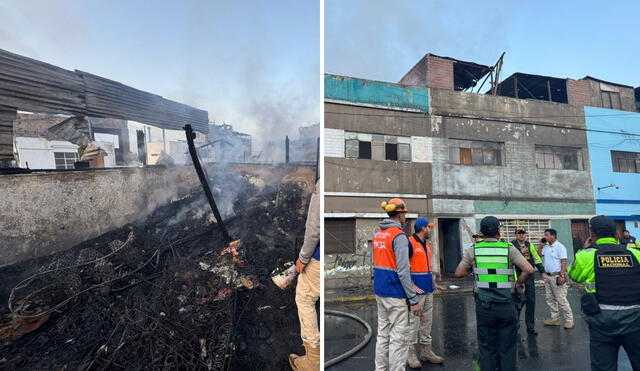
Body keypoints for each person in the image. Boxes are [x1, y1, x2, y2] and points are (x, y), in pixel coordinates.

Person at [455, 216, 534, 371]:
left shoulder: (474, 250)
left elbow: (458, 273)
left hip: (484, 307)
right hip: (506, 306)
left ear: (482, 232)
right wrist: (519, 283)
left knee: (486, 348)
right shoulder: (508, 248)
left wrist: (473, 268)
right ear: (498, 231)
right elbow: (529, 270)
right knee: (507, 349)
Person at [568, 215, 640, 370]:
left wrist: (585, 249)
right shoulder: (635, 253)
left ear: (592, 235)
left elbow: (574, 276)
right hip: (635, 320)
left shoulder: (585, 256)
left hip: (601, 322)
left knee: (603, 367)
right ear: (616, 234)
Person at [373, 198, 421, 371]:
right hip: (395, 294)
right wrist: (413, 300)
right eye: (404, 213)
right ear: (399, 213)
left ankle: (380, 369)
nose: (405, 217)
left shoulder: (378, 234)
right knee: (398, 339)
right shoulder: (398, 236)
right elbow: (403, 270)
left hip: (380, 292)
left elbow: (377, 265)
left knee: (383, 335)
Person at [406, 218, 446, 368]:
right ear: (423, 228)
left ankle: (426, 351)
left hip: (428, 288)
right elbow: (402, 266)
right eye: (429, 227)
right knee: (413, 322)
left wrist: (433, 283)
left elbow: (426, 267)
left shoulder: (426, 244)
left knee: (426, 321)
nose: (431, 230)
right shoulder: (409, 242)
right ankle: (410, 353)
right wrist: (410, 285)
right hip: (416, 291)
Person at [289, 180, 320, 371]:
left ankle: (314, 361)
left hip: (316, 258)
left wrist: (303, 257)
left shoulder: (323, 184)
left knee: (305, 299)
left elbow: (314, 229)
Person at [511, 228, 545, 335]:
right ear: (515, 235)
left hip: (529, 278)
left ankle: (530, 327)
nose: (521, 235)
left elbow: (536, 258)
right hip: (518, 277)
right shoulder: (511, 246)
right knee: (518, 303)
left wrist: (542, 271)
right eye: (519, 234)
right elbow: (509, 260)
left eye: (523, 233)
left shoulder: (530, 245)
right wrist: (520, 253)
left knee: (531, 302)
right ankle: (515, 326)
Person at [541, 228, 574, 329]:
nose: (545, 237)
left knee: (561, 299)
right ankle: (554, 319)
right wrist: (540, 245)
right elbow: (538, 255)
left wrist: (562, 276)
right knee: (550, 299)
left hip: (557, 276)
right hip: (548, 276)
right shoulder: (546, 247)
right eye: (545, 235)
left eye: (546, 235)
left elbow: (563, 261)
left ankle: (569, 320)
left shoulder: (560, 247)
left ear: (553, 236)